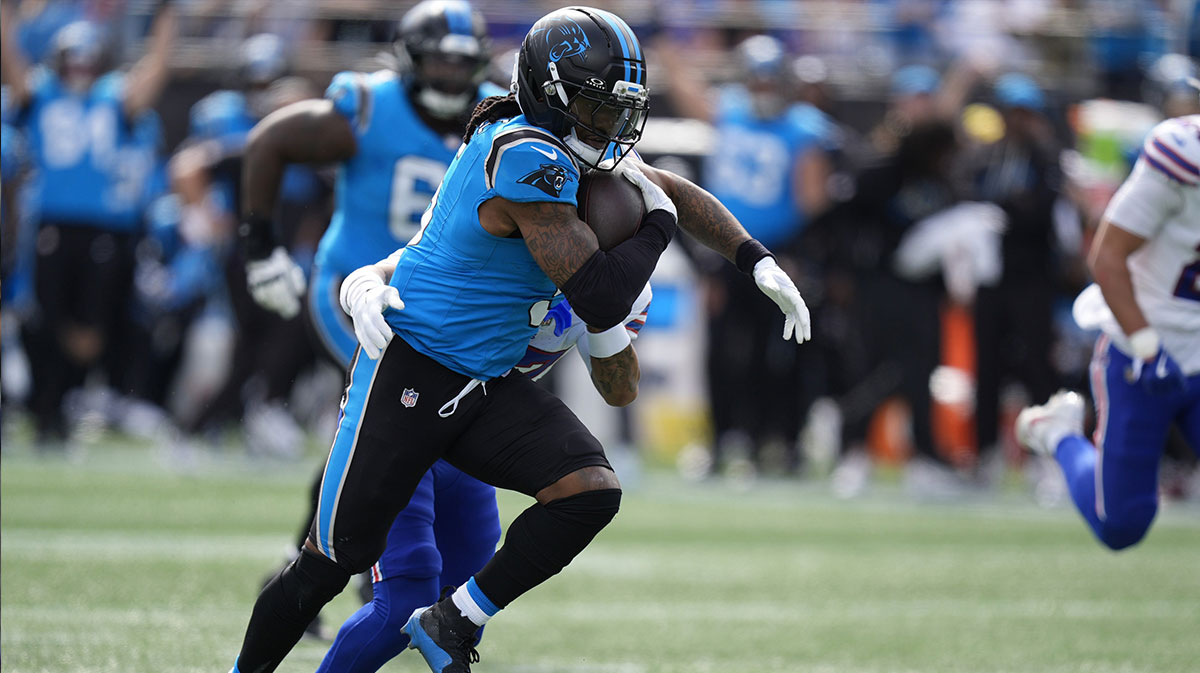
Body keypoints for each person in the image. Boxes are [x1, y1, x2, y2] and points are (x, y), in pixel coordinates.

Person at [226, 7, 810, 673]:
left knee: (588, 488)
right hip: (413, 369)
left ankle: (455, 620)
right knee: (328, 566)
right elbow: (599, 292)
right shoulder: (525, 155)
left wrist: (755, 259)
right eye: (599, 108)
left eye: (623, 109)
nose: (615, 128)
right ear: (553, 97)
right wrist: (658, 227)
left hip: (485, 381)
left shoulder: (567, 146)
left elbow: (671, 188)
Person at [238, 0, 503, 653]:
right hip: (353, 292)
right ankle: (335, 572)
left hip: (441, 308)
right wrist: (260, 244)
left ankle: (357, 572)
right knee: (383, 429)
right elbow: (272, 140)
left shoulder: (502, 115)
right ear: (410, 59)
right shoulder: (369, 106)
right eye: (439, 59)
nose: (450, 74)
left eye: (462, 62)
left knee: (410, 436)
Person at [1016, 110, 1200, 551]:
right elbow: (1108, 257)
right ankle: (1056, 432)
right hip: (1144, 348)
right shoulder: (1184, 154)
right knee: (1122, 523)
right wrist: (1146, 345)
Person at [657, 32, 833, 475]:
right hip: (726, 254)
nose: (763, 90)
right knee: (721, 354)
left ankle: (780, 442)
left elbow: (815, 203)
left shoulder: (804, 128)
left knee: (780, 354)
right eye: (757, 80)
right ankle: (722, 442)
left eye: (770, 81)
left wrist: (801, 256)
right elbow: (692, 97)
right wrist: (668, 53)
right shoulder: (730, 111)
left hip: (781, 256)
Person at [0, 3, 174, 446]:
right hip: (51, 223)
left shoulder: (112, 99)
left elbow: (154, 74)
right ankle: (46, 410)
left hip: (101, 228)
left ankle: (70, 402)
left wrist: (167, 21)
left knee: (89, 329)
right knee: (43, 320)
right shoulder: (39, 95)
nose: (78, 67)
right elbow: (13, 65)